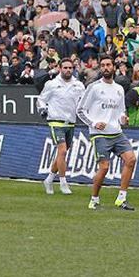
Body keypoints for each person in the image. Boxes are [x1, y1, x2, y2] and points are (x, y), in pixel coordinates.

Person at [77, 58, 136, 211]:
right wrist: (93, 123)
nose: (105, 68)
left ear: (114, 67)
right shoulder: (94, 87)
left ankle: (121, 198)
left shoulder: (119, 88)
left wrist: (123, 118)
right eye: (102, 65)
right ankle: (94, 199)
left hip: (116, 132)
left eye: (108, 65)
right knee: (104, 168)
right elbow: (80, 110)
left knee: (131, 159)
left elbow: (121, 111)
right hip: (100, 134)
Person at [36, 59, 84, 195]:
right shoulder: (52, 84)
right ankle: (63, 182)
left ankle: (49, 179)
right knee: (62, 151)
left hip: (70, 122)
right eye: (65, 67)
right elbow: (41, 99)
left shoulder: (78, 85)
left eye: (70, 68)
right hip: (56, 121)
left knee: (62, 153)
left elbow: (84, 101)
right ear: (60, 68)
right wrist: (43, 109)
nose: (68, 70)